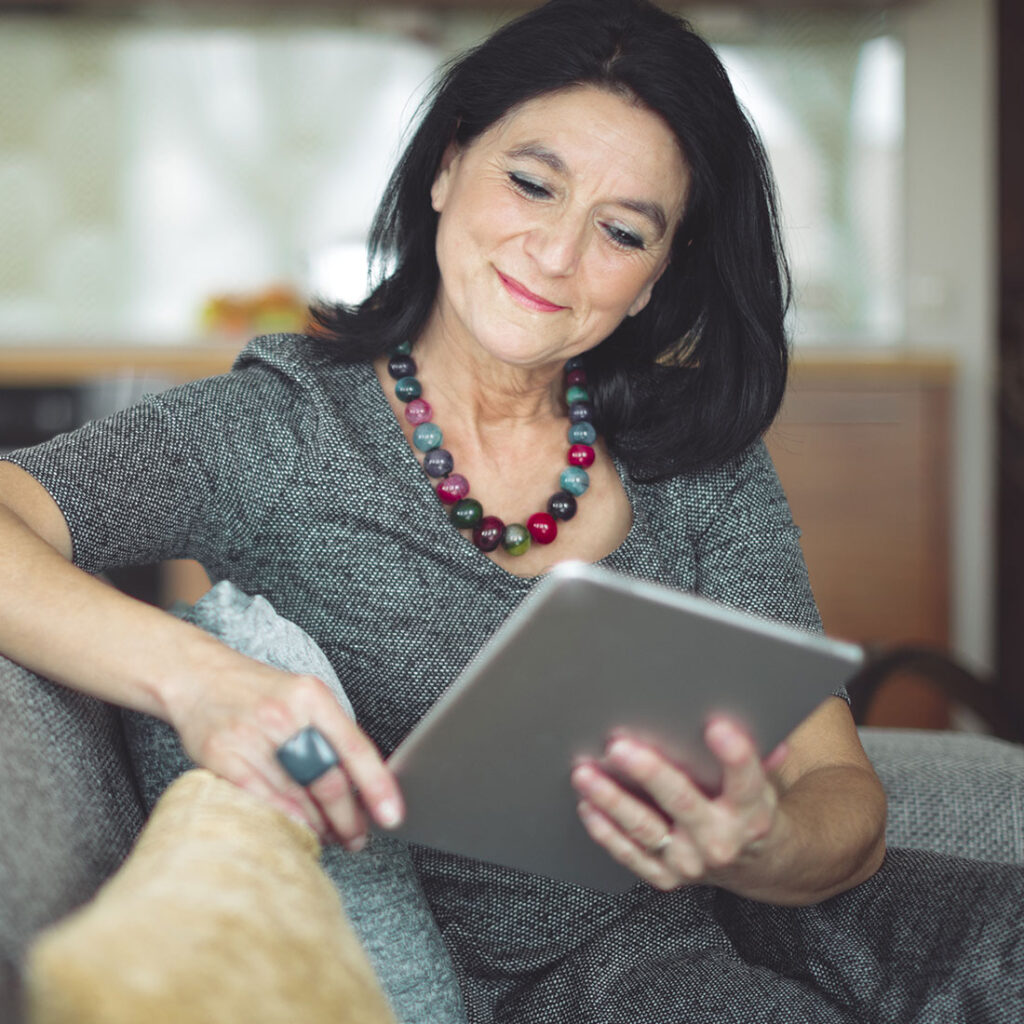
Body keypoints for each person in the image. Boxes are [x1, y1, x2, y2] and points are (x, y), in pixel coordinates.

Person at [0, 1, 1021, 1021]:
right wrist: (203, 681)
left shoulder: (695, 459)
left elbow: (843, 797)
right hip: (572, 989)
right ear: (447, 167)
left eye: (621, 230)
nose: (557, 252)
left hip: (764, 917)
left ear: (657, 272)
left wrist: (765, 843)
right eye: (532, 182)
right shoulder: (282, 428)